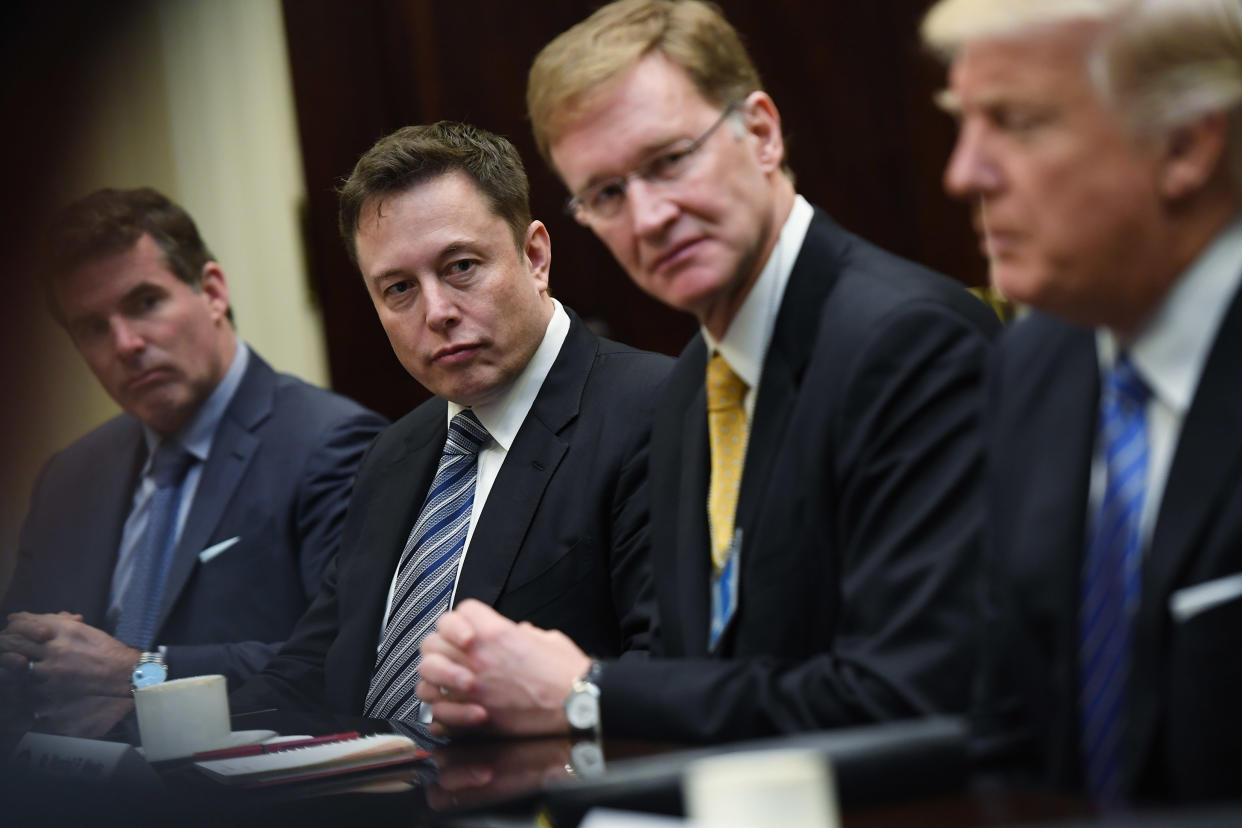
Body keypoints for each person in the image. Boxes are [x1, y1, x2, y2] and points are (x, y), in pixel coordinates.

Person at [416, 0, 1000, 743]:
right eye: (607, 194)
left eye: (669, 161)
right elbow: (707, 663)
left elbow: (913, 695)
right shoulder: (693, 385)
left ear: (761, 133)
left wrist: (587, 693)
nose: (649, 217)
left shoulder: (908, 341)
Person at [230, 122, 671, 723]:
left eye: (461, 266)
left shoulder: (658, 410)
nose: (436, 312)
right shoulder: (393, 454)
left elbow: (668, 677)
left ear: (535, 256)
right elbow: (313, 667)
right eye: (399, 288)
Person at [924, 0, 1242, 803]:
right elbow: (1010, 732)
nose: (964, 173)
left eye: (1016, 123)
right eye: (964, 121)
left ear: (1186, 144)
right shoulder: (1035, 363)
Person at [0, 187, 387, 737]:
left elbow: (349, 663)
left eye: (145, 303)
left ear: (211, 291)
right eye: (92, 327)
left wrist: (141, 673)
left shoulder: (332, 443)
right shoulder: (69, 477)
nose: (126, 343)